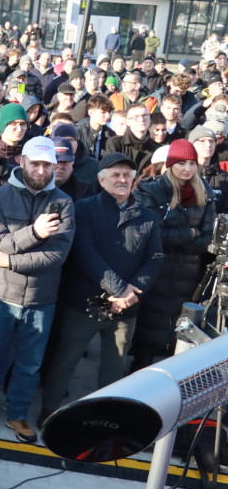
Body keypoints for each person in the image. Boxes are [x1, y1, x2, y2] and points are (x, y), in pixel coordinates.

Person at [0, 137, 74, 444]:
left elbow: (57, 255)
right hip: (0, 296)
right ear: (21, 162)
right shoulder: (0, 197)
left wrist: (11, 261)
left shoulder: (63, 203)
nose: (40, 170)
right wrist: (35, 233)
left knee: (29, 363)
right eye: (34, 163)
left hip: (41, 298)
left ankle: (17, 414)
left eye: (46, 165)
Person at [39, 153, 163, 427]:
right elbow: (85, 253)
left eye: (127, 175)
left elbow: (154, 259)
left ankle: (103, 416)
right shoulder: (83, 209)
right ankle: (49, 408)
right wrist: (119, 289)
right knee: (66, 359)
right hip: (85, 303)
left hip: (127, 308)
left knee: (115, 365)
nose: (122, 179)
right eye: (116, 174)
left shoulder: (147, 215)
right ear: (101, 178)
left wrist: (132, 292)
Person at [133, 139, 215, 369]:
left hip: (188, 277)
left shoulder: (205, 192)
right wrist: (189, 233)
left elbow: (207, 238)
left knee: (176, 332)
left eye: (191, 163)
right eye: (181, 163)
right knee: (147, 332)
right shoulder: (153, 189)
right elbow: (152, 234)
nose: (187, 169)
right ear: (170, 165)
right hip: (156, 270)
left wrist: (179, 237)